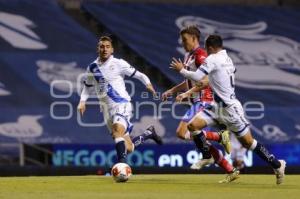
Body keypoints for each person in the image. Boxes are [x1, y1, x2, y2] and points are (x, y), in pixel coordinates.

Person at [170, 34, 286, 184]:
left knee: (248, 143)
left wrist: (182, 70)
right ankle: (207, 155)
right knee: (192, 126)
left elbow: (198, 76)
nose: (206, 52)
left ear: (210, 48)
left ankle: (277, 165)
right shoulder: (228, 59)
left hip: (230, 109)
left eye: (206, 48)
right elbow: (219, 77)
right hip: (215, 106)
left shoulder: (212, 59)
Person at [162, 26, 235, 176]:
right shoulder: (189, 56)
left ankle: (219, 137)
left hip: (203, 100)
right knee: (197, 138)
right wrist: (172, 90)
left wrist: (186, 93)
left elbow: (206, 80)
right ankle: (229, 168)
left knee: (183, 132)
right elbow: (189, 80)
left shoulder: (200, 55)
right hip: (195, 101)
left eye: (185, 40)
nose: (183, 43)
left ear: (194, 39)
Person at [77, 36, 162, 164]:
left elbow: (139, 74)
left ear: (112, 50)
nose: (104, 49)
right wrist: (82, 101)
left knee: (117, 131)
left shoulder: (118, 63)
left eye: (107, 47)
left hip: (121, 104)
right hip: (106, 110)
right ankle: (148, 133)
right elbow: (88, 86)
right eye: (102, 46)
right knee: (128, 147)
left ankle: (121, 164)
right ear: (98, 49)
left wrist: (148, 84)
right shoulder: (92, 67)